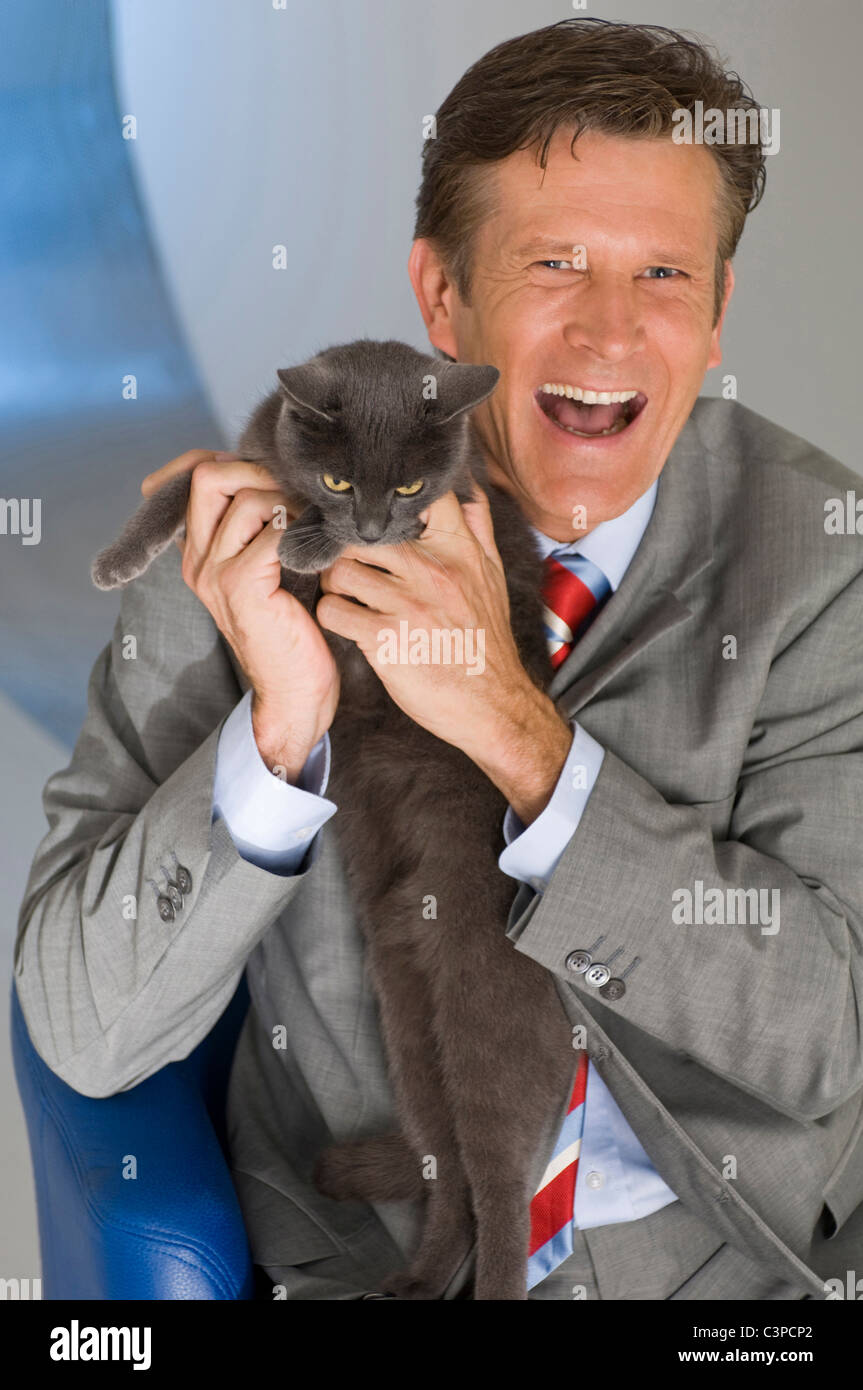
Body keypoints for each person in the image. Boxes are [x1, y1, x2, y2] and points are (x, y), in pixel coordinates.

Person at [14, 18, 863, 1300]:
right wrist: (279, 733)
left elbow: (825, 1039)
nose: (608, 334)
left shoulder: (817, 563)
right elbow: (82, 1030)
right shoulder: (254, 531)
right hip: (376, 1264)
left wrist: (522, 738)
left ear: (719, 309)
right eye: (554, 265)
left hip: (722, 1282)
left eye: (663, 277)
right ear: (441, 296)